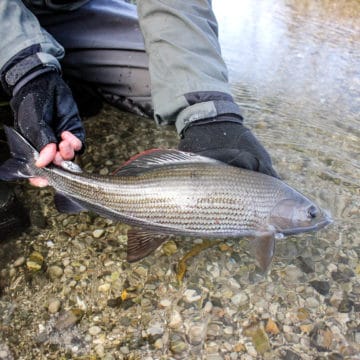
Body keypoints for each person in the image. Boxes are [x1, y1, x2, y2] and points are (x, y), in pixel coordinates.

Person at [0, 0, 277, 236]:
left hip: (73, 10)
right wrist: (27, 71)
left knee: (172, 85)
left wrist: (209, 113)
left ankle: (71, 81)